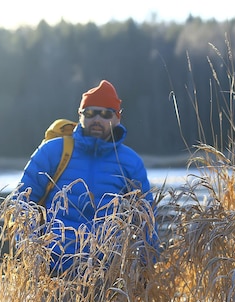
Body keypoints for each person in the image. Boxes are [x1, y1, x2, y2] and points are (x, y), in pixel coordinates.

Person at [15, 79, 158, 274]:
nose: (97, 119)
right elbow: (22, 203)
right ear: (80, 115)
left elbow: (146, 222)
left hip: (108, 277)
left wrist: (146, 268)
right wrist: (31, 255)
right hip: (53, 272)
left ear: (118, 117)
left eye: (106, 113)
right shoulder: (52, 152)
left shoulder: (131, 162)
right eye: (90, 113)